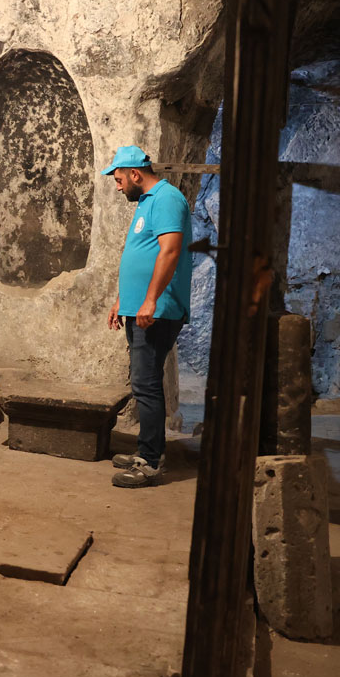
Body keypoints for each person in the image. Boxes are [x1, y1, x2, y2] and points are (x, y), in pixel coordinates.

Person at [103, 145, 193, 488]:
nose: (118, 185)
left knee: (146, 384)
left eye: (119, 178)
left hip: (157, 311)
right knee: (144, 382)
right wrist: (122, 300)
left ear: (135, 174)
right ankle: (149, 449)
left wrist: (150, 300)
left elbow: (169, 251)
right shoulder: (147, 202)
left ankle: (150, 461)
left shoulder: (167, 199)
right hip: (141, 307)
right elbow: (141, 256)